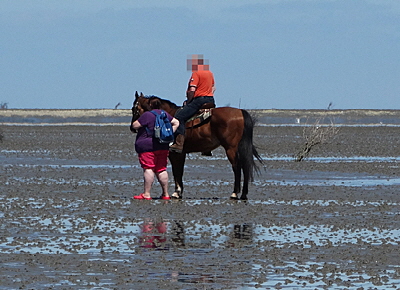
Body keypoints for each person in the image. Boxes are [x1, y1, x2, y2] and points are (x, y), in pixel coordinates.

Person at [131, 98, 179, 200]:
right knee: (161, 169)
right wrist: (170, 133)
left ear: (150, 105)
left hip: (147, 147)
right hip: (163, 145)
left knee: (148, 168)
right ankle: (165, 194)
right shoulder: (164, 114)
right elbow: (176, 123)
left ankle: (147, 194)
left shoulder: (147, 115)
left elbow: (135, 126)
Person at [169, 54, 216, 153]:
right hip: (210, 99)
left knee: (178, 117)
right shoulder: (210, 73)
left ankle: (178, 144)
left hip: (199, 100)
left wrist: (189, 100)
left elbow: (192, 89)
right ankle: (207, 147)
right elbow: (213, 88)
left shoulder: (196, 73)